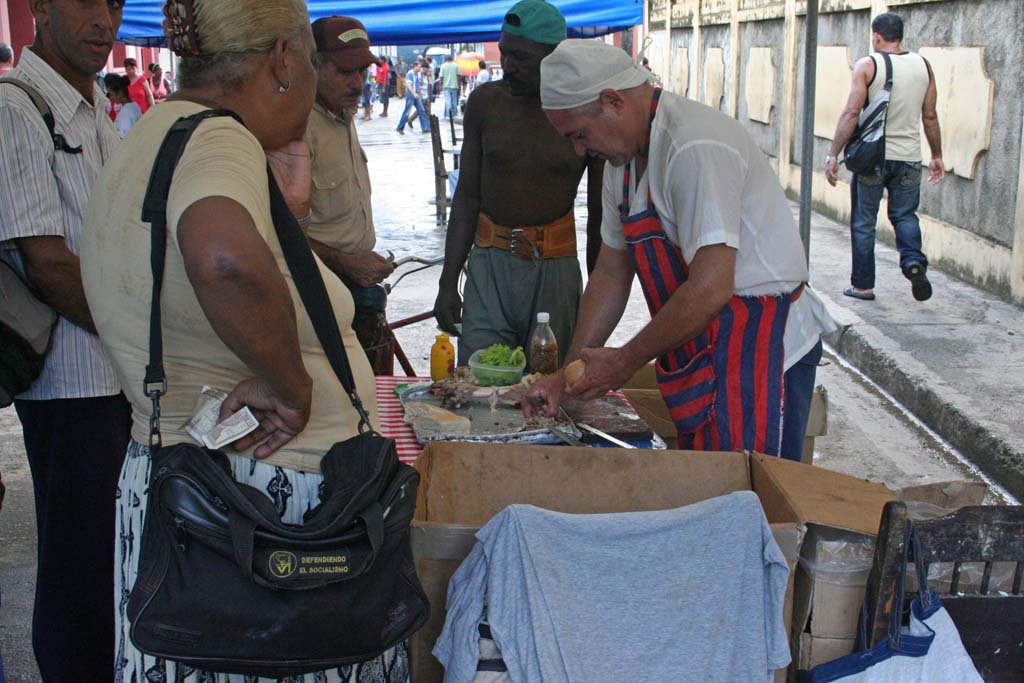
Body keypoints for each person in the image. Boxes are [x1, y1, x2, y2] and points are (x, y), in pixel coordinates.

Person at [80, 0, 405, 681]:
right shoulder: (216, 137)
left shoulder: (148, 135)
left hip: (188, 492)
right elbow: (223, 256)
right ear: (285, 59)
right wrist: (292, 385)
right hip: (267, 511)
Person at [526, 39, 838, 461]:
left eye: (580, 134)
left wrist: (625, 361)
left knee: (756, 498)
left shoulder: (692, 145)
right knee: (710, 488)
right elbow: (611, 275)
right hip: (703, 344)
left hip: (760, 345)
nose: (580, 150)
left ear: (614, 101)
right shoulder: (621, 165)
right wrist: (567, 376)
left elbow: (711, 288)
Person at [0, 0, 130, 679]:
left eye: (115, 3)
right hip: (68, 383)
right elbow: (47, 265)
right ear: (41, 9)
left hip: (110, 379)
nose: (104, 18)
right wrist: (141, 336)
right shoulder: (17, 109)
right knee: (78, 578)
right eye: (84, 1)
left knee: (109, 565)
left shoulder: (95, 114)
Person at [433, 0, 604, 365]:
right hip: (489, 265)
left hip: (556, 270)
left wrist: (595, 301)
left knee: (550, 385)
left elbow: (601, 219)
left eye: (521, 59)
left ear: (554, 56)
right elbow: (466, 199)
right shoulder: (485, 103)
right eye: (505, 54)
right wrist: (448, 283)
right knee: (478, 381)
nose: (507, 66)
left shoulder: (585, 113)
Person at [825, 12, 943, 303]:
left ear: (876, 35)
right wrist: (937, 155)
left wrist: (833, 154)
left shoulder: (869, 65)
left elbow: (852, 113)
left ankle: (863, 286)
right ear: (900, 36)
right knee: (904, 215)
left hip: (873, 158)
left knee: (865, 221)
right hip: (910, 157)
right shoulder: (923, 66)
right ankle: (913, 262)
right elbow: (929, 116)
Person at [306, 16, 396, 374]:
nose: (358, 82)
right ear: (315, 65)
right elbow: (273, 231)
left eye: (362, 71)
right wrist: (344, 263)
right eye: (346, 71)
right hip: (322, 291)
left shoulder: (344, 115)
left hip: (360, 289)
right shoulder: (297, 128)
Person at [104, 73, 142, 137]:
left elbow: (122, 138)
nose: (111, 98)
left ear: (120, 93)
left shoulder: (125, 112)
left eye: (111, 94)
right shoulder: (135, 106)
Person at [395, 61, 429, 134]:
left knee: (422, 110)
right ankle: (400, 128)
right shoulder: (410, 74)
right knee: (407, 112)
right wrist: (414, 93)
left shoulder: (417, 74)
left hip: (416, 94)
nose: (421, 68)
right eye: (419, 67)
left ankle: (426, 127)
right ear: (415, 66)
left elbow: (417, 84)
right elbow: (409, 85)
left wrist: (418, 92)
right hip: (411, 94)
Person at [439, 54, 459, 119]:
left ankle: (448, 114)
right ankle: (454, 114)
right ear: (452, 58)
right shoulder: (456, 66)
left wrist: (440, 85)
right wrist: (459, 85)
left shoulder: (443, 66)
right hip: (454, 85)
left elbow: (441, 77)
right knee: (454, 101)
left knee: (448, 101)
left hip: (446, 86)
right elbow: (458, 76)